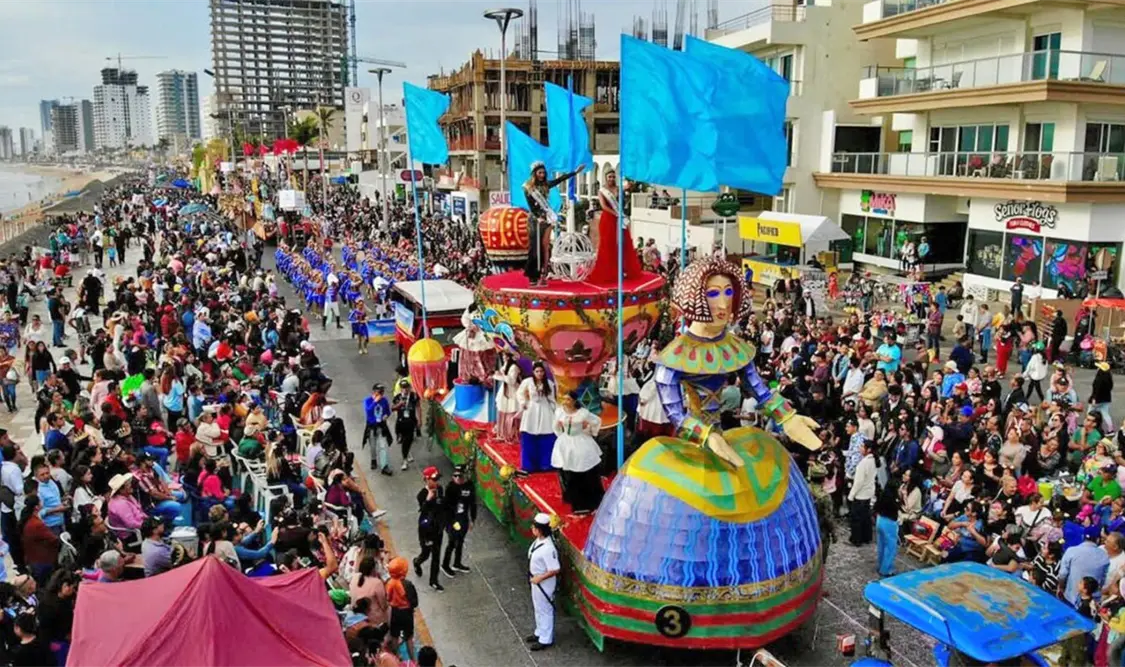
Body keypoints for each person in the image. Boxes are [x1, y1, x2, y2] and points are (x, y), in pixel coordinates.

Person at [522, 162, 584, 286]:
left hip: (547, 218)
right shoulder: (528, 188)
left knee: (545, 247)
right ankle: (533, 274)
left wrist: (575, 172)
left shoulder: (546, 185)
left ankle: (544, 274)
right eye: (539, 173)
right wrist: (538, 217)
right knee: (535, 246)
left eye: (543, 173)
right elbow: (531, 206)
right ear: (534, 174)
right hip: (535, 220)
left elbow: (560, 179)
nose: (542, 175)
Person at [586, 169, 643, 285]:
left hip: (619, 220)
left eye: (613, 176)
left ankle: (621, 270)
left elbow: (623, 202)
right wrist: (616, 213)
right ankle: (609, 272)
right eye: (609, 177)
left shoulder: (619, 189)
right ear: (606, 178)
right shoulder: (602, 191)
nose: (611, 179)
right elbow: (603, 206)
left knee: (622, 244)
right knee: (608, 245)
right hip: (608, 219)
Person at [551, 392, 604, 515]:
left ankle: (589, 501)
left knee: (585, 470)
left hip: (581, 442)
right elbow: (555, 426)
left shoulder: (582, 413)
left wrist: (590, 431)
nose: (566, 402)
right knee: (569, 472)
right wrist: (561, 435)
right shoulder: (559, 412)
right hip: (566, 443)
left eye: (568, 399)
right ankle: (574, 499)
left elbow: (596, 421)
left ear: (574, 401)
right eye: (564, 399)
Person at [526, 513, 559, 651]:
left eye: (534, 527)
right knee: (538, 607)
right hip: (535, 580)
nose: (532, 529)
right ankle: (539, 631)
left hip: (543, 583)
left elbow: (555, 568)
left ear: (539, 530)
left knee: (545, 609)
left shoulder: (548, 548)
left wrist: (539, 578)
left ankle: (546, 638)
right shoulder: (539, 541)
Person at [517, 362, 556, 474]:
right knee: (529, 437)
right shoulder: (527, 382)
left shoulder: (549, 383)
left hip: (545, 411)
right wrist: (523, 402)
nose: (539, 373)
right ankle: (529, 465)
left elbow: (552, 400)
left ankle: (546, 464)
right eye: (537, 371)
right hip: (531, 411)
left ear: (544, 372)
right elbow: (519, 393)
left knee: (547, 437)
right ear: (533, 372)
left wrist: (556, 412)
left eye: (541, 371)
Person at [1058, 525, 1110, 605]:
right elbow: (1103, 581)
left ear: (1083, 537)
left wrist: (1061, 587)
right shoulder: (1105, 556)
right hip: (1091, 601)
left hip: (1071, 597)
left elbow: (1062, 575)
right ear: (1098, 539)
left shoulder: (1071, 551)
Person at [413, 466, 445, 591]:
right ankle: (417, 561)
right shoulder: (422, 495)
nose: (436, 482)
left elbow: (442, 507)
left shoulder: (440, 489)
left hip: (438, 529)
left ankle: (433, 580)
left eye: (437, 479)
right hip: (426, 530)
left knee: (436, 556)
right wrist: (428, 499)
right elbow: (423, 511)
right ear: (426, 480)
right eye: (433, 480)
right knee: (426, 554)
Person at [441, 464, 475, 577]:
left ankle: (457, 562)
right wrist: (449, 523)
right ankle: (445, 565)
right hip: (452, 519)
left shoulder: (469, 486)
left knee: (460, 541)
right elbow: (446, 507)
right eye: (455, 476)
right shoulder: (450, 488)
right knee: (452, 542)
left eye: (460, 476)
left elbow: (472, 503)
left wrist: (472, 519)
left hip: (463, 518)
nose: (457, 479)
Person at [848, 439, 877, 547]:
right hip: (868, 493)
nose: (860, 448)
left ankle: (856, 540)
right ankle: (866, 537)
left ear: (868, 449)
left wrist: (851, 495)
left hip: (860, 495)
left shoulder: (863, 463)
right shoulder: (873, 460)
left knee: (856, 519)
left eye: (862, 446)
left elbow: (858, 482)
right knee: (865, 517)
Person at [363, 384, 393, 476]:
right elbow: (368, 411)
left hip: (381, 426)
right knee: (373, 445)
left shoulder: (384, 400)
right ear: (374, 392)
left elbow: (388, 411)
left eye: (382, 391)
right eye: (379, 391)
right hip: (372, 426)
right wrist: (375, 402)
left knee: (383, 446)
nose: (381, 393)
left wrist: (386, 416)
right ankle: (373, 459)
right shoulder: (368, 400)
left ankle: (384, 466)